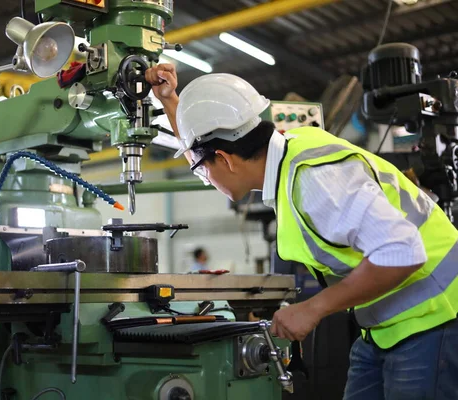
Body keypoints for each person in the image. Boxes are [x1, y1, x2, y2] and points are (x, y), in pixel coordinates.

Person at [145, 63, 458, 399]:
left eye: (202, 170)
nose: (204, 177)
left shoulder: (315, 180)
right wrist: (170, 101)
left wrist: (313, 308)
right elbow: (204, 148)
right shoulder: (288, 151)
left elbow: (403, 251)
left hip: (435, 320)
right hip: (384, 328)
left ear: (226, 158)